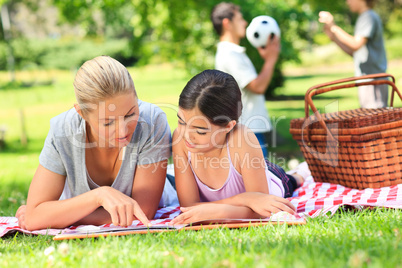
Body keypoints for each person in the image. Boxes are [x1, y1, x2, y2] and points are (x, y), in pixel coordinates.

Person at [15, 56, 172, 231]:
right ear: (82, 113)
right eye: (108, 122)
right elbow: (34, 218)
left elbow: (142, 212)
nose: (123, 131)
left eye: (130, 114)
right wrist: (99, 195)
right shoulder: (63, 131)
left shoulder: (151, 121)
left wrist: (59, 215)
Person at [170, 70, 310, 225]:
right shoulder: (179, 139)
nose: (186, 135)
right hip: (246, 182)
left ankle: (301, 173)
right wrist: (245, 198)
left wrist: (211, 212)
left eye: (200, 131)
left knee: (291, 181)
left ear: (228, 126)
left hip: (270, 178)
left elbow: (261, 211)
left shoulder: (242, 139)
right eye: (181, 121)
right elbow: (189, 210)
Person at [211, 2, 281, 158]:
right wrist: (271, 59)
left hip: (248, 129)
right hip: (248, 130)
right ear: (227, 23)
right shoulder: (230, 54)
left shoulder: (232, 52)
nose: (245, 23)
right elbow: (258, 87)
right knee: (260, 178)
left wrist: (269, 60)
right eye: (240, 19)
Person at [318, 0, 388, 108]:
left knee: (374, 119)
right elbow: (354, 52)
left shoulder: (368, 17)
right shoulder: (365, 17)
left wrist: (334, 27)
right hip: (368, 80)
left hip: (373, 80)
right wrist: (334, 38)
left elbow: (355, 44)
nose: (347, 2)